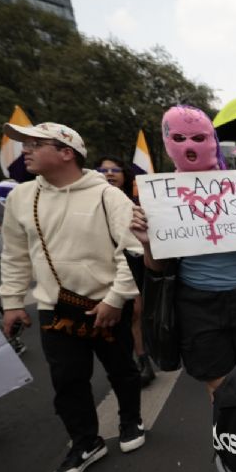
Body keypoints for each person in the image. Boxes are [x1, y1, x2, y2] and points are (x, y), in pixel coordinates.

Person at [0, 122, 145, 472]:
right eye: (25, 144)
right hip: (54, 308)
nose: (25, 150)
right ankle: (85, 441)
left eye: (36, 144)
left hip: (107, 304)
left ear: (66, 152)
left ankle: (130, 420)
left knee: (122, 367)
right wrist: (13, 301)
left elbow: (132, 248)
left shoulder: (107, 195)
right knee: (67, 379)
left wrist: (115, 298)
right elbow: (15, 255)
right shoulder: (21, 198)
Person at [130, 105, 236, 400]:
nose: (189, 146)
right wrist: (147, 241)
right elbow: (157, 267)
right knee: (220, 386)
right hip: (197, 304)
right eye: (179, 138)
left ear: (212, 140)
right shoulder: (162, 197)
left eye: (198, 138)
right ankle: (230, 442)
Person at [97, 156, 156, 387]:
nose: (109, 174)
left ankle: (144, 361)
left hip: (137, 262)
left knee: (136, 313)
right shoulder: (96, 200)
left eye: (114, 169)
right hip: (108, 267)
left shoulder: (138, 199)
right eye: (103, 169)